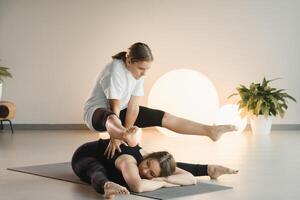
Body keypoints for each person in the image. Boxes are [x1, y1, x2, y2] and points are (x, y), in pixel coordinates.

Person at [83, 42, 237, 157]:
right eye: (141, 69)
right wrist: (117, 137)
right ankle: (122, 133)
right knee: (110, 116)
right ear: (129, 61)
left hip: (120, 115)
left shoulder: (138, 73)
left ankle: (210, 130)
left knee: (163, 117)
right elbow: (114, 107)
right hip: (97, 114)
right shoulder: (115, 70)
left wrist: (127, 132)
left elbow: (134, 107)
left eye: (147, 69)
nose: (144, 73)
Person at [72, 132, 239, 198]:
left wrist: (164, 179)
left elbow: (190, 179)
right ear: (148, 156)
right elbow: (137, 186)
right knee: (96, 169)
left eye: (151, 173)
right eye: (147, 164)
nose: (144, 169)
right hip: (85, 156)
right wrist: (164, 183)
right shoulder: (129, 161)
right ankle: (106, 185)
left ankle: (210, 169)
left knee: (170, 166)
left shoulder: (152, 165)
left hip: (107, 161)